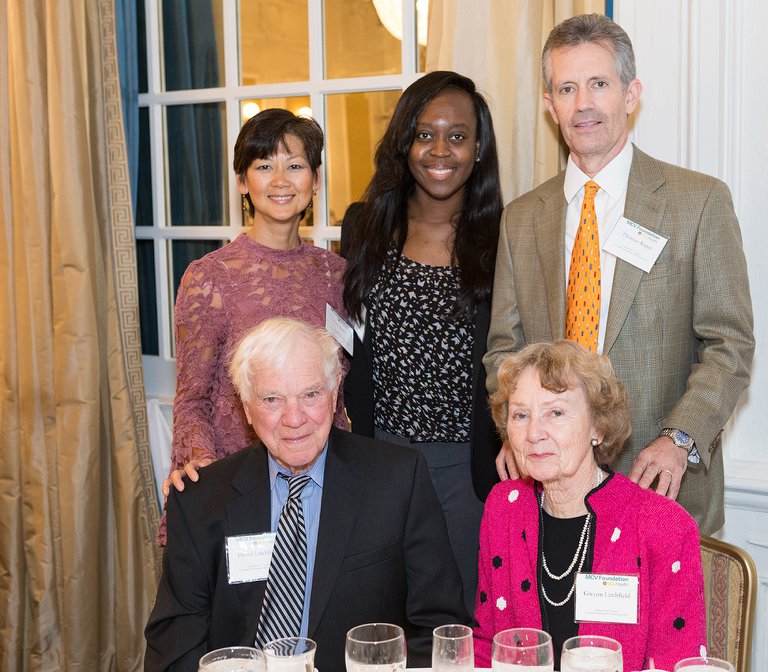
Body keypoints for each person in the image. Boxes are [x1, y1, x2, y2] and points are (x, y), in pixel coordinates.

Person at [484, 14, 755, 535]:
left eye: (599, 84)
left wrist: (679, 441)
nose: (583, 103)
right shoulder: (521, 218)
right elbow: (505, 351)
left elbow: (731, 344)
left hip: (659, 487)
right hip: (550, 495)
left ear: (631, 95)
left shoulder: (697, 203)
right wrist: (523, 432)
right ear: (549, 105)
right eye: (567, 88)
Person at [145, 318, 469, 672]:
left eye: (311, 394)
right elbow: (174, 649)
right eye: (272, 399)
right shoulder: (200, 500)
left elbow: (440, 632)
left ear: (334, 394)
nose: (294, 418)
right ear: (247, 408)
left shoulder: (397, 480)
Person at [341, 71, 503, 612]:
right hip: (378, 461)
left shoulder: (507, 235)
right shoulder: (364, 226)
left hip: (467, 471)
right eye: (424, 133)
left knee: (457, 626)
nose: (440, 150)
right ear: (404, 143)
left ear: (478, 147)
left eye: (457, 136)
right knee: (377, 620)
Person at [162, 108, 350, 542]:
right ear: (243, 182)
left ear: (316, 180)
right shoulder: (209, 277)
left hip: (325, 483)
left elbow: (341, 392)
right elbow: (193, 398)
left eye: (295, 165)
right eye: (264, 166)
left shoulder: (337, 274)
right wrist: (208, 477)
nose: (280, 180)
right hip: (240, 484)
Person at [472, 340, 705, 669]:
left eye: (556, 413)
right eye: (521, 415)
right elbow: (487, 645)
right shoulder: (504, 508)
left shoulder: (662, 526)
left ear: (598, 426)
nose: (534, 432)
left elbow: (679, 663)